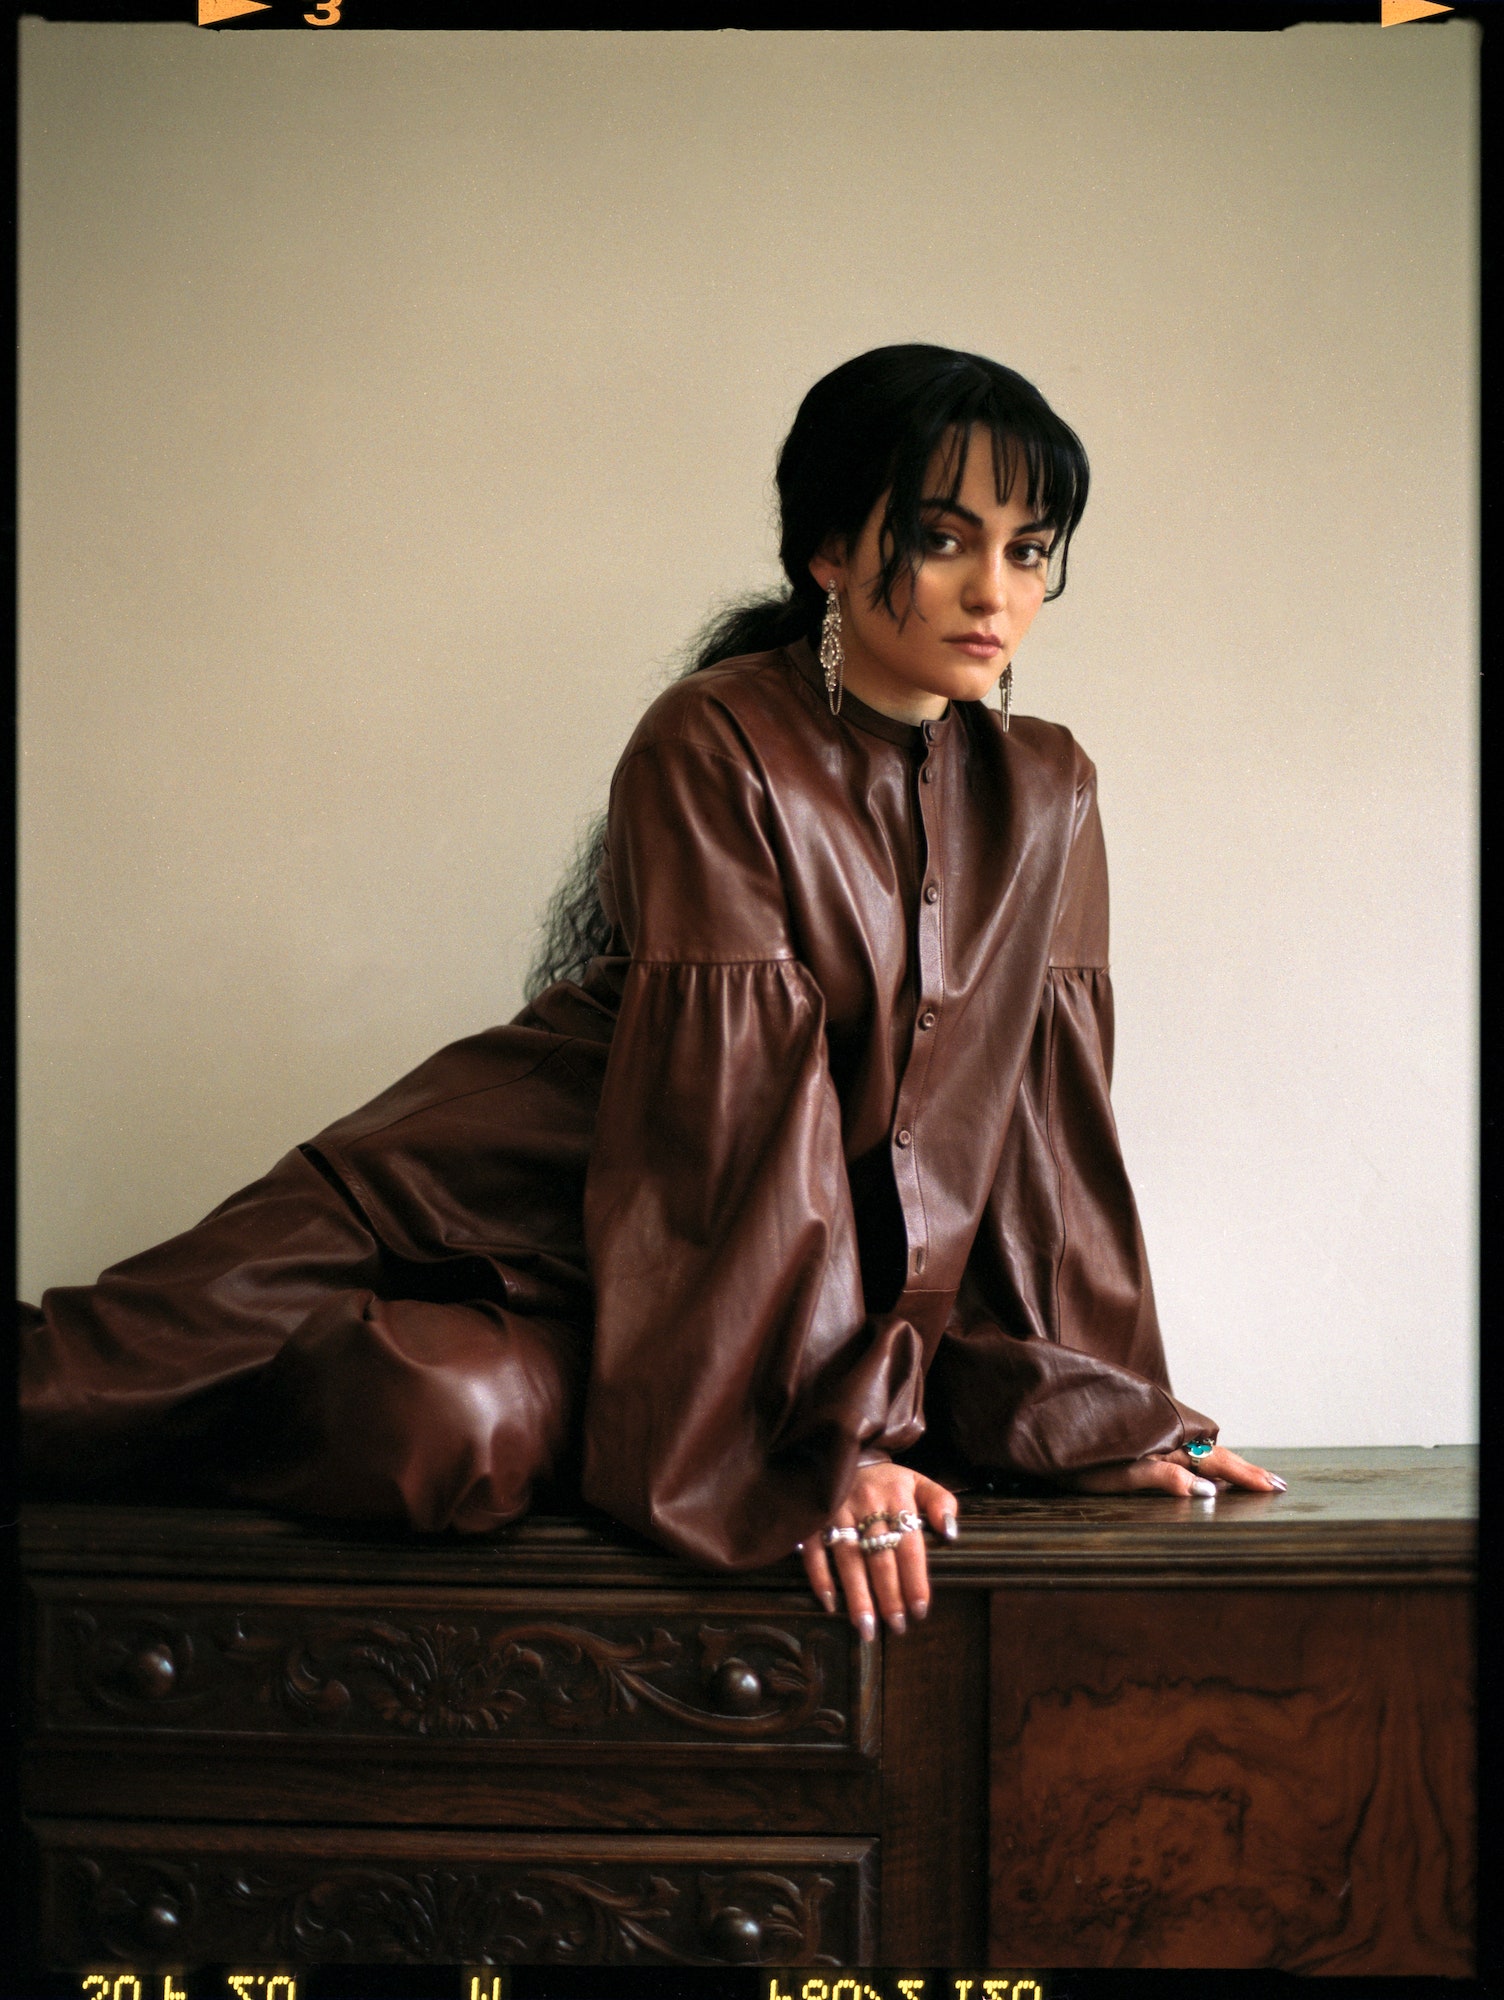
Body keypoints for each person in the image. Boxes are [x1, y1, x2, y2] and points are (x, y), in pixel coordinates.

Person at [19, 343, 1282, 1640]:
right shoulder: (716, 737)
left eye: (1029, 551)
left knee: (439, 1423)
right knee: (56, 1395)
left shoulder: (1049, 791)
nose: (993, 591)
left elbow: (1046, 1149)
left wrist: (1106, 1422)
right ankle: (196, 1420)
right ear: (828, 551)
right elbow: (732, 1129)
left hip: (676, 1321)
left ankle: (534, 1416)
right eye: (943, 538)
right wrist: (812, 1444)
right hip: (461, 1206)